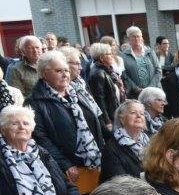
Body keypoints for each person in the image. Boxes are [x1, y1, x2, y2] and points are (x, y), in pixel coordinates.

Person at [27, 51, 105, 182]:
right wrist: (65, 164)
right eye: (59, 71)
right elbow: (41, 138)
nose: (65, 75)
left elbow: (97, 120)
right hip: (69, 169)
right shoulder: (35, 101)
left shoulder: (79, 92)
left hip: (96, 161)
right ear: (44, 74)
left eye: (66, 70)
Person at [100, 100, 149, 182]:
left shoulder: (150, 143)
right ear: (122, 119)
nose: (139, 116)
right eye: (133, 112)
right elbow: (119, 182)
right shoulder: (112, 148)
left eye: (142, 113)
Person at [87, 43, 125, 124]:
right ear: (101, 57)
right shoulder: (98, 73)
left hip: (116, 112)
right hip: (110, 117)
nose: (112, 55)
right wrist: (107, 122)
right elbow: (99, 100)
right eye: (109, 53)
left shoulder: (109, 70)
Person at [120, 26, 161, 98]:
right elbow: (124, 75)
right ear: (129, 38)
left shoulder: (150, 52)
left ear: (142, 37)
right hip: (136, 94)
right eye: (134, 36)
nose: (137, 39)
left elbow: (158, 71)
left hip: (154, 92)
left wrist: (150, 88)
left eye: (139, 36)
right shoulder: (124, 55)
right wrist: (136, 88)